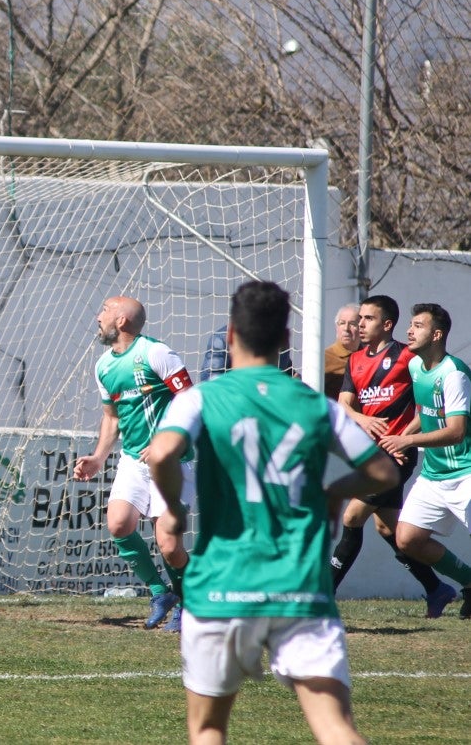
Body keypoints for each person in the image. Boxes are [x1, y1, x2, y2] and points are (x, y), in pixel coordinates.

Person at [145, 280, 399, 745]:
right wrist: (336, 489)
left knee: (207, 731)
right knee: (335, 727)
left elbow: (161, 454)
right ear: (286, 339)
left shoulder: (201, 398)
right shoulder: (314, 405)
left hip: (222, 586)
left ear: (230, 334)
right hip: (298, 588)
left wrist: (175, 509)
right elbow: (384, 472)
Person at [330, 295, 456, 616]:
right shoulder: (355, 360)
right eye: (359, 318)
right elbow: (345, 404)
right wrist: (362, 418)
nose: (360, 324)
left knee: (351, 517)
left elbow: (427, 401)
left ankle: (323, 596)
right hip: (369, 456)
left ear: (387, 325)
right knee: (388, 530)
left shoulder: (407, 358)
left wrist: (405, 438)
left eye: (368, 319)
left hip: (395, 456)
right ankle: (437, 589)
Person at [73, 296, 193, 631]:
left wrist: (165, 441)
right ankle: (160, 592)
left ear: (122, 320)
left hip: (172, 462)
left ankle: (187, 599)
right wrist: (98, 457)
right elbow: (111, 418)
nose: (99, 316)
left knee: (169, 545)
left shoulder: (156, 353)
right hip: (133, 460)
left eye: (105, 310)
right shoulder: (103, 366)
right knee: (118, 525)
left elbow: (190, 401)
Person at [383, 303, 471, 620]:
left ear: (436, 334)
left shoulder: (454, 374)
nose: (409, 330)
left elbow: (457, 431)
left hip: (466, 473)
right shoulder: (417, 368)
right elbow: (425, 413)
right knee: (407, 538)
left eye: (417, 325)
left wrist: (406, 440)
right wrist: (402, 439)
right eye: (410, 323)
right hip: (434, 474)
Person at [322, 304, 361, 400]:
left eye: (352, 324)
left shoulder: (370, 356)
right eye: (342, 323)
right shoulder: (324, 358)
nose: (346, 329)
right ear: (336, 327)